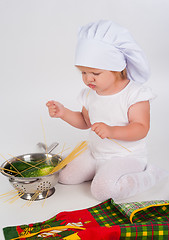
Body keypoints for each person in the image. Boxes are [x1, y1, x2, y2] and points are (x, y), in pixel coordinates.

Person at [46, 20, 167, 202]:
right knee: (65, 178)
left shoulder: (134, 94)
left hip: (126, 156)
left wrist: (111, 131)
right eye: (84, 73)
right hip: (96, 153)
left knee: (102, 191)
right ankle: (100, 171)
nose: (88, 79)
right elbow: (85, 122)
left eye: (95, 73)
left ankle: (149, 174)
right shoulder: (90, 94)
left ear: (118, 68)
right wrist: (63, 113)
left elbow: (141, 128)